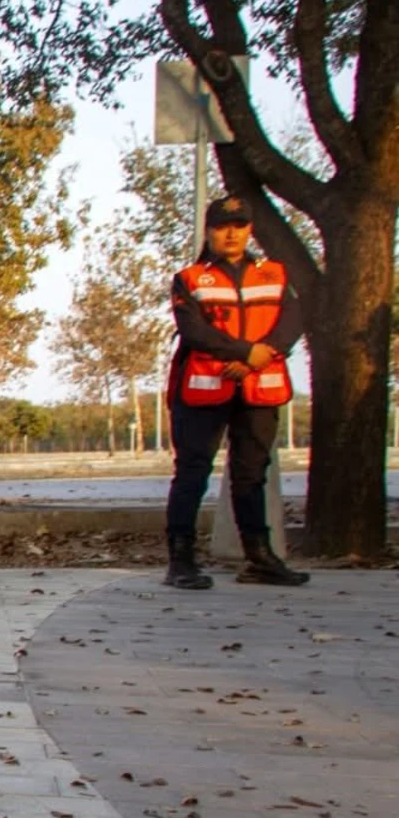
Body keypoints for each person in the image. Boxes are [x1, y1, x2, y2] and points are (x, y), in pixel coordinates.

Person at [162, 194, 308, 589]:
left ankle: (260, 558)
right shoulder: (190, 279)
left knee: (251, 475)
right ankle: (181, 561)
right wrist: (245, 353)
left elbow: (292, 320)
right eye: (222, 227)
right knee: (192, 473)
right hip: (204, 389)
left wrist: (262, 356)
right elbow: (194, 331)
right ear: (209, 231)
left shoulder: (274, 275)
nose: (231, 234)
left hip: (258, 388)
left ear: (249, 230)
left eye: (239, 226)